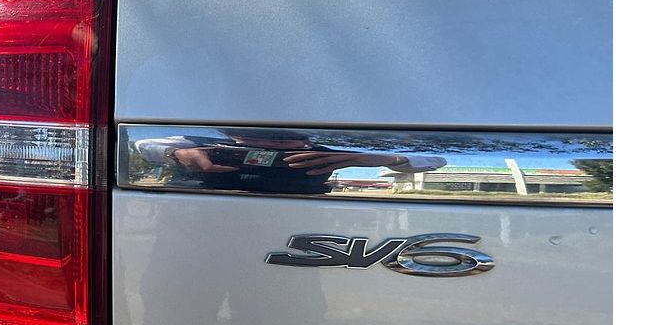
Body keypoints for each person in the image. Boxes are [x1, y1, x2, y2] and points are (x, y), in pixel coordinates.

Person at [134, 128, 445, 194]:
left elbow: (435, 158)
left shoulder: (333, 147)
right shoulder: (194, 142)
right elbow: (143, 144)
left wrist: (362, 157)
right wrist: (177, 154)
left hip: (297, 244)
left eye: (284, 141)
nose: (271, 146)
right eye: (256, 140)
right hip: (190, 239)